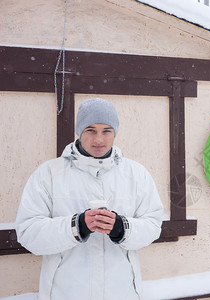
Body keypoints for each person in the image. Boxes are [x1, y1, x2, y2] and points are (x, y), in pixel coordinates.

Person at [15, 98, 164, 300]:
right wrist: (76, 227)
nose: (99, 140)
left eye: (106, 131)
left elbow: (153, 225)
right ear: (79, 131)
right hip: (65, 293)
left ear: (115, 133)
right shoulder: (49, 174)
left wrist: (122, 228)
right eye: (91, 130)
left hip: (121, 293)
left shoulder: (136, 174)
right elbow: (28, 232)